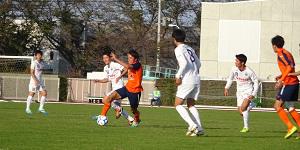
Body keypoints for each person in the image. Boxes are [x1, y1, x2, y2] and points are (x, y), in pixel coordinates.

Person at [99, 50, 143, 127]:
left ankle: (137, 118)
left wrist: (116, 59)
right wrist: (120, 75)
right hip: (126, 88)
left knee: (133, 110)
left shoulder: (137, 65)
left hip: (135, 91)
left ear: (135, 59)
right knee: (108, 98)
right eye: (128, 57)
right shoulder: (130, 64)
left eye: (130, 58)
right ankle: (102, 117)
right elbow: (127, 68)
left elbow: (128, 67)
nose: (129, 59)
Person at [172, 29, 204, 136]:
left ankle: (192, 124)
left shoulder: (178, 49)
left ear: (174, 39)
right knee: (191, 105)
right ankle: (199, 128)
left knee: (177, 104)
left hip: (187, 80)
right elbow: (199, 64)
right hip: (196, 79)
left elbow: (184, 63)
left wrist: (178, 76)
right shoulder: (190, 48)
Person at [271, 35, 300, 139]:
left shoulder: (281, 54)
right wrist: (281, 75)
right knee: (290, 107)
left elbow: (289, 67)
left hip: (289, 83)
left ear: (274, 45)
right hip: (294, 83)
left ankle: (290, 127)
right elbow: (290, 68)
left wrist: (281, 79)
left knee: (277, 106)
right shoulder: (286, 53)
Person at [94, 50, 134, 123]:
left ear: (110, 58)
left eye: (106, 57)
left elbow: (126, 68)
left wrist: (120, 76)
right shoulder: (106, 68)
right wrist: (98, 81)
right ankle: (130, 119)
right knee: (114, 105)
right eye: (103, 58)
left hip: (119, 87)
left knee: (105, 100)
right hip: (114, 88)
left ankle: (102, 116)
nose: (105, 59)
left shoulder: (114, 64)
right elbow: (107, 79)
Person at [224, 54, 259, 133]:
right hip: (239, 92)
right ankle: (253, 104)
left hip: (248, 91)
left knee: (243, 108)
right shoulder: (234, 69)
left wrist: (253, 94)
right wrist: (226, 87)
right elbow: (230, 78)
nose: (235, 62)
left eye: (237, 61)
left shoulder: (249, 71)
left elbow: (256, 82)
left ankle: (246, 127)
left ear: (242, 63)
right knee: (241, 111)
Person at [25, 50, 48, 115]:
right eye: (38, 55)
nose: (39, 56)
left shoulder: (42, 63)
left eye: (40, 55)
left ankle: (41, 108)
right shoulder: (34, 63)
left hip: (40, 81)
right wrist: (35, 80)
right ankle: (27, 108)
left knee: (44, 93)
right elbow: (31, 73)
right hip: (33, 81)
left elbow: (40, 71)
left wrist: (39, 80)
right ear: (35, 56)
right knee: (32, 94)